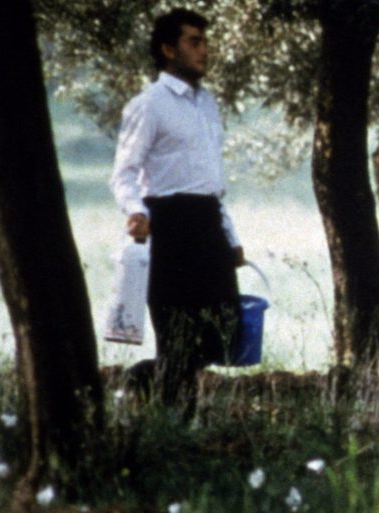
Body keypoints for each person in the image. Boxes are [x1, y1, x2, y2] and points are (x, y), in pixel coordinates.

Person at [112, 8, 244, 420]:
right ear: (168, 50)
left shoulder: (207, 105)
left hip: (207, 223)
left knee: (226, 331)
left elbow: (212, 181)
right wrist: (136, 212)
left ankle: (143, 379)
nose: (205, 50)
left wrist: (231, 237)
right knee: (178, 336)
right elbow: (124, 173)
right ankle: (175, 428)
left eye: (205, 42)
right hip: (168, 225)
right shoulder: (148, 105)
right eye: (194, 42)